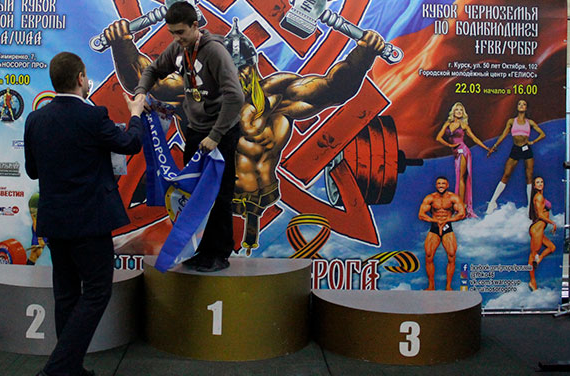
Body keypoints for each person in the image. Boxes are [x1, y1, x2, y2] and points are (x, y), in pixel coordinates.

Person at [104, 13, 386, 252]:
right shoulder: (195, 93)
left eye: (242, 70)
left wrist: (363, 55)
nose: (235, 77)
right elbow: (146, 81)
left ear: (254, 68)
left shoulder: (277, 95)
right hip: (209, 203)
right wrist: (122, 43)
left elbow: (333, 88)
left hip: (261, 199)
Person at [24, 51, 145, 376]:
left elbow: (33, 171)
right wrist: (135, 114)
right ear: (80, 78)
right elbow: (131, 144)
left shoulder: (35, 120)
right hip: (90, 222)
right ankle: (58, 369)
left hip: (55, 221)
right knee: (96, 292)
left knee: (65, 295)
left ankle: (70, 369)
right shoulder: (93, 117)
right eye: (86, 76)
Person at [130, 1, 243, 272]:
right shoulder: (179, 49)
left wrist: (216, 135)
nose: (176, 38)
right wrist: (141, 91)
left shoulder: (214, 52)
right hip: (196, 130)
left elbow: (236, 97)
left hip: (221, 132)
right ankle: (201, 250)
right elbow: (152, 70)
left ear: (195, 26)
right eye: (172, 33)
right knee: (194, 194)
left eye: (181, 32)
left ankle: (219, 254)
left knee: (219, 194)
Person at [485, 99, 546, 214]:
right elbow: (504, 134)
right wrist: (494, 146)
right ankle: (492, 202)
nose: (521, 106)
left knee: (529, 177)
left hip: (526, 149)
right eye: (519, 104)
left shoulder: (530, 122)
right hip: (516, 149)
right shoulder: (511, 121)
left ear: (526, 108)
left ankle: (530, 207)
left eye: (524, 104)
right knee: (506, 174)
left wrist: (533, 142)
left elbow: (542, 134)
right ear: (517, 107)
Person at [436, 102, 490, 218]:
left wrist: (487, 148)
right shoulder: (447, 124)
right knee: (459, 177)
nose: (459, 112)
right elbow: (438, 137)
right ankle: (460, 204)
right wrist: (450, 145)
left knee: (461, 177)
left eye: (461, 110)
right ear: (453, 112)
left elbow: (474, 139)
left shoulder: (464, 126)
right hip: (455, 153)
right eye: (457, 110)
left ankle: (461, 205)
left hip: (463, 152)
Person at [418, 176, 466, 290]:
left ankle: (448, 287)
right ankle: (431, 286)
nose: (441, 185)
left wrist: (447, 220)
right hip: (435, 227)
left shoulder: (453, 198)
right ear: (436, 185)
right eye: (439, 183)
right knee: (429, 256)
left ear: (447, 185)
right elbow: (421, 214)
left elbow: (462, 214)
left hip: (447, 227)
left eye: (443, 183)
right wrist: (435, 221)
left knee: (451, 256)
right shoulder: (430, 198)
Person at [527, 176, 556, 291]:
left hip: (539, 229)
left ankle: (539, 259)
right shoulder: (538, 197)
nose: (540, 184)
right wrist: (552, 223)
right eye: (537, 182)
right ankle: (532, 282)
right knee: (533, 255)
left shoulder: (541, 196)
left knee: (552, 247)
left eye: (541, 182)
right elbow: (540, 214)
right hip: (537, 229)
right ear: (534, 186)